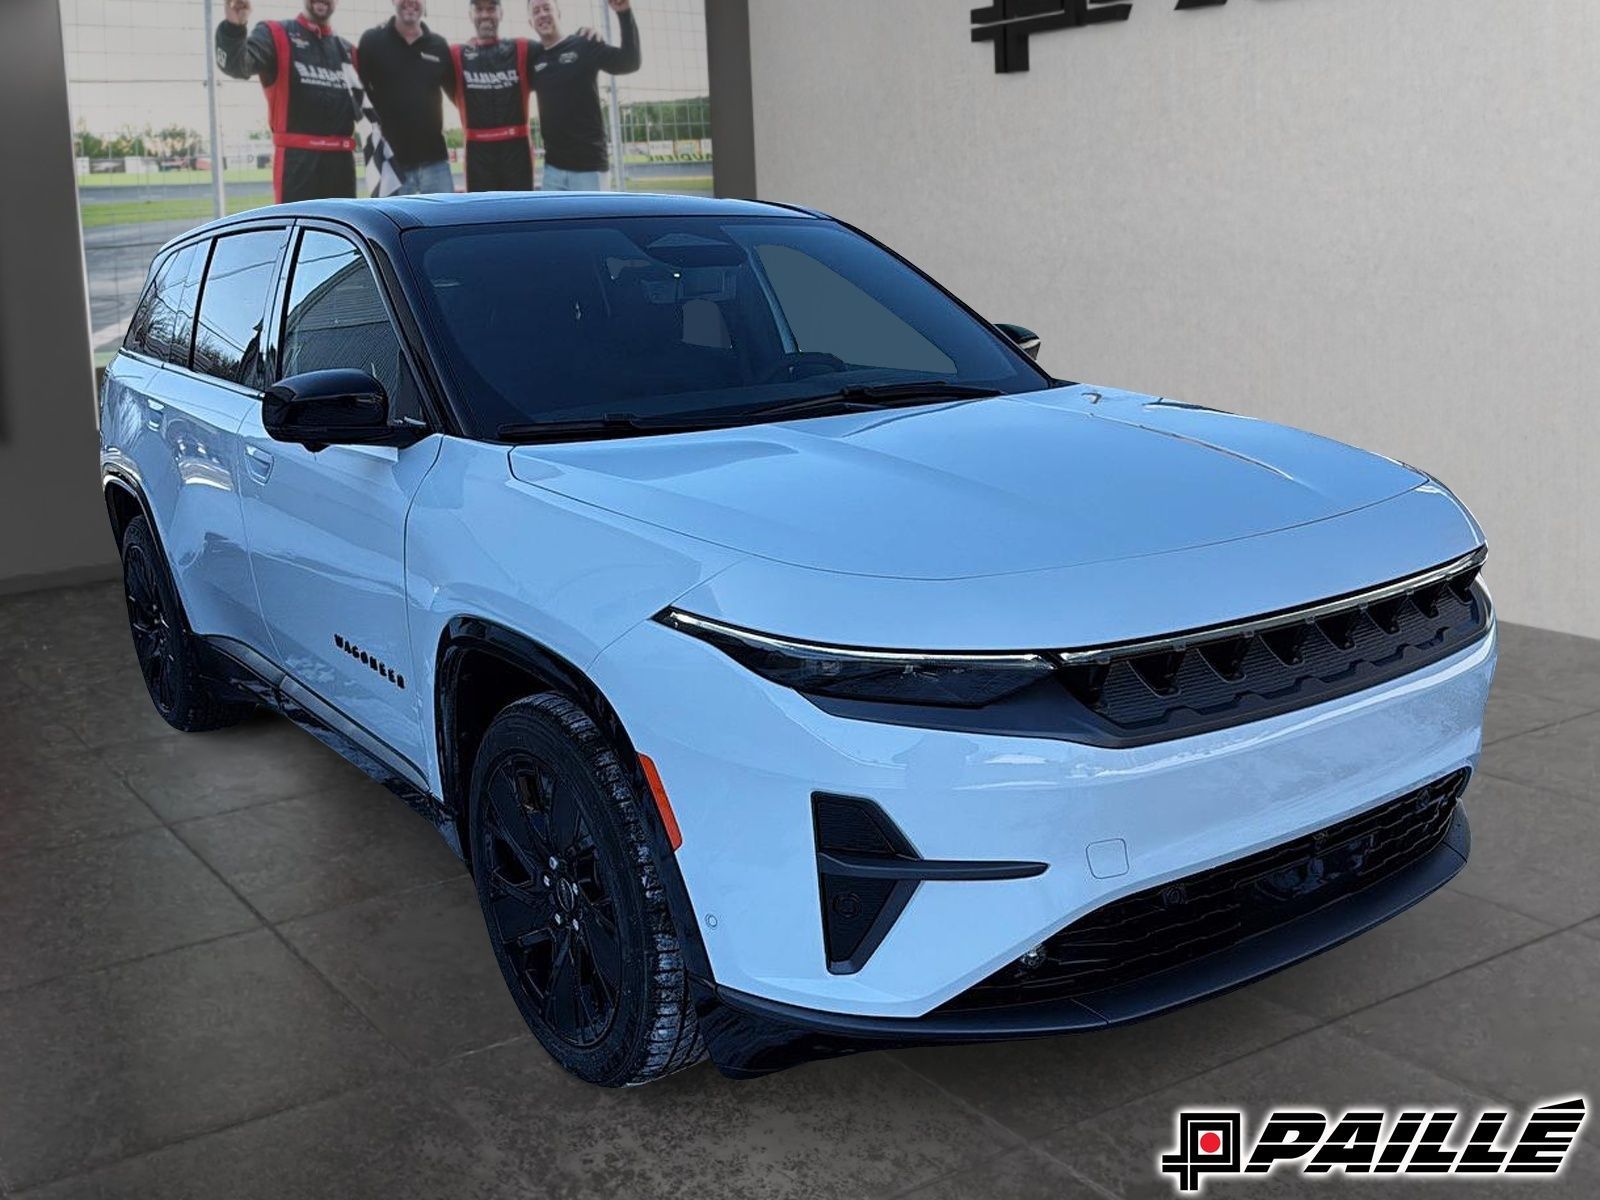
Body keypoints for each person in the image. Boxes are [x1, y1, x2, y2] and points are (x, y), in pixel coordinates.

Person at [215, 0, 359, 203]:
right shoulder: (275, 33)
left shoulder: (348, 51)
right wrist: (234, 27)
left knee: (342, 232)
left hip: (342, 163)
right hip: (296, 163)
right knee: (297, 229)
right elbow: (238, 65)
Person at [528, 0, 641, 190]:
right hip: (552, 171)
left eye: (547, 8)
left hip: (590, 170)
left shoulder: (584, 43)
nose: (542, 14)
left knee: (592, 221)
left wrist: (624, 13)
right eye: (536, 11)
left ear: (559, 13)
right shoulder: (534, 58)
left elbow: (630, 62)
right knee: (552, 221)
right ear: (531, 22)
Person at [358, 1, 454, 194]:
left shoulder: (439, 46)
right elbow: (359, 97)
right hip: (390, 165)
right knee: (391, 225)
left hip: (435, 162)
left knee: (445, 223)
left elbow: (459, 96)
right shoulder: (372, 41)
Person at [447, 1, 536, 191]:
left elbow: (554, 47)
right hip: (477, 154)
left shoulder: (522, 48)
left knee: (522, 214)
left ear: (501, 13)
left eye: (491, 8)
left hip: (517, 151)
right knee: (482, 216)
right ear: (471, 15)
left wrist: (582, 36)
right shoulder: (456, 54)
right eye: (479, 9)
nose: (485, 14)